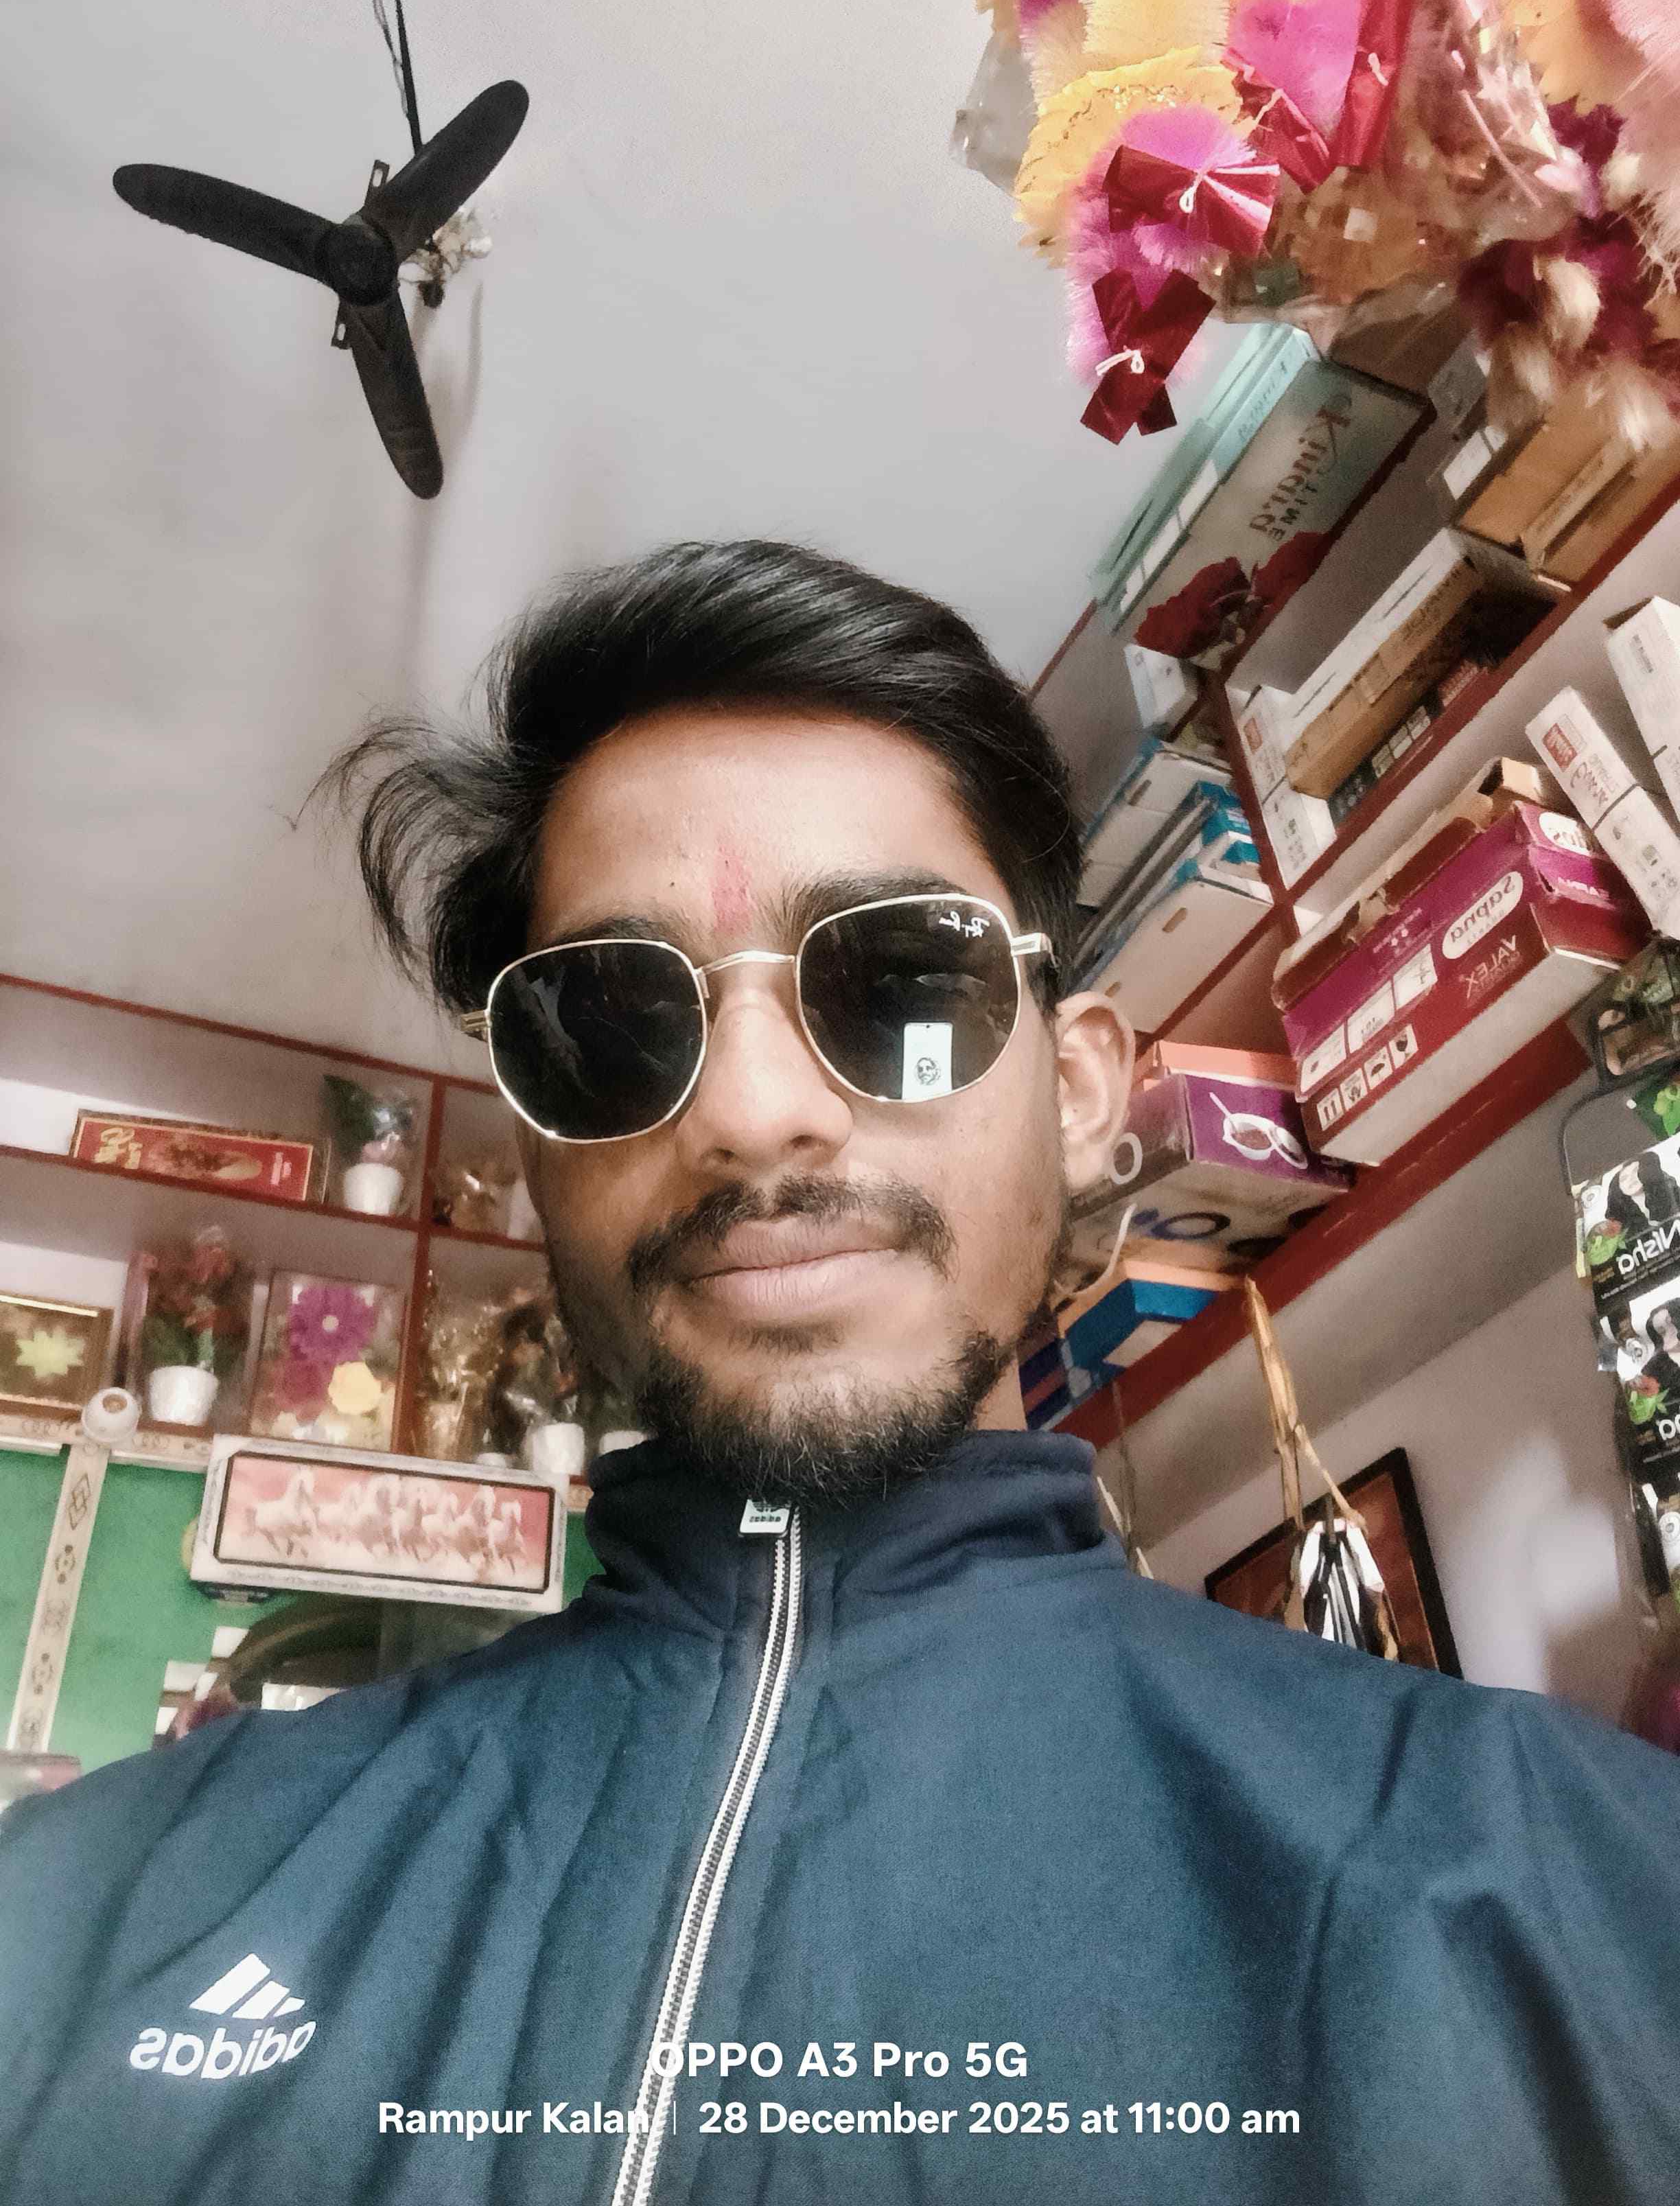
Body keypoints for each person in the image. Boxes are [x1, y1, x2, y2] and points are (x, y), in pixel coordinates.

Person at [3, 541, 1679, 2206]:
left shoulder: (1561, 1882)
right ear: (535, 1156)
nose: (751, 1114)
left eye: (898, 984)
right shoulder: (91, 1912)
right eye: (614, 1025)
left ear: (1081, 1091)